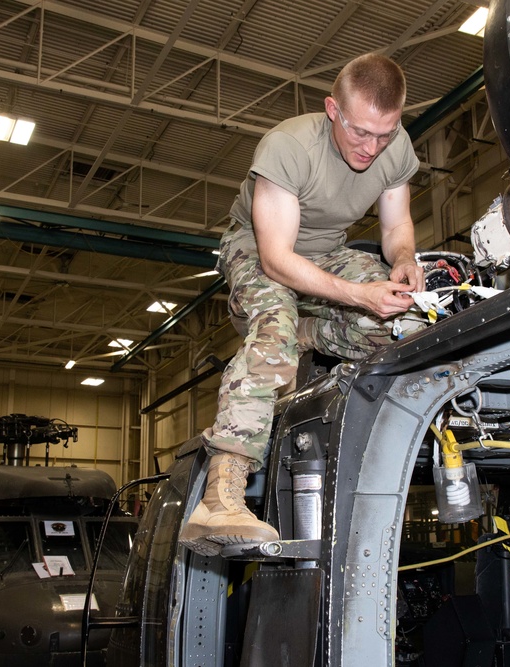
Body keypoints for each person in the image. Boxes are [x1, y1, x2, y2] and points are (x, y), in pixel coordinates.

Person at [181, 53, 424, 555]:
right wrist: (359, 294)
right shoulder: (289, 147)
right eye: (360, 132)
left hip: (327, 250)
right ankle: (221, 494)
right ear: (333, 109)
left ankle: (308, 336)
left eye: (384, 134)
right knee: (274, 327)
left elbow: (396, 227)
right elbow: (275, 260)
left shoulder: (394, 148)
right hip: (257, 245)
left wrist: (402, 261)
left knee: (408, 319)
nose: (371, 147)